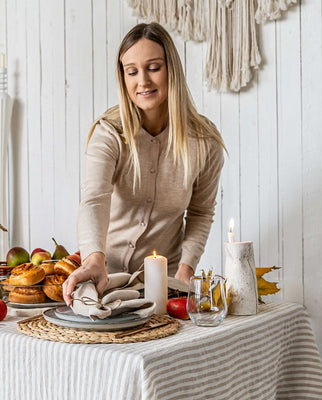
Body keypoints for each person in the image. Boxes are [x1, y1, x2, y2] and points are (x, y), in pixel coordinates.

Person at [63, 22, 225, 305]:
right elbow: (94, 199)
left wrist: (185, 270)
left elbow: (201, 212)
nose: (143, 82)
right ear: (123, 77)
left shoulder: (205, 141)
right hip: (103, 280)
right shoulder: (109, 133)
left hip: (164, 288)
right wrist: (93, 259)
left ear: (171, 69)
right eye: (132, 71)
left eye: (153, 68)